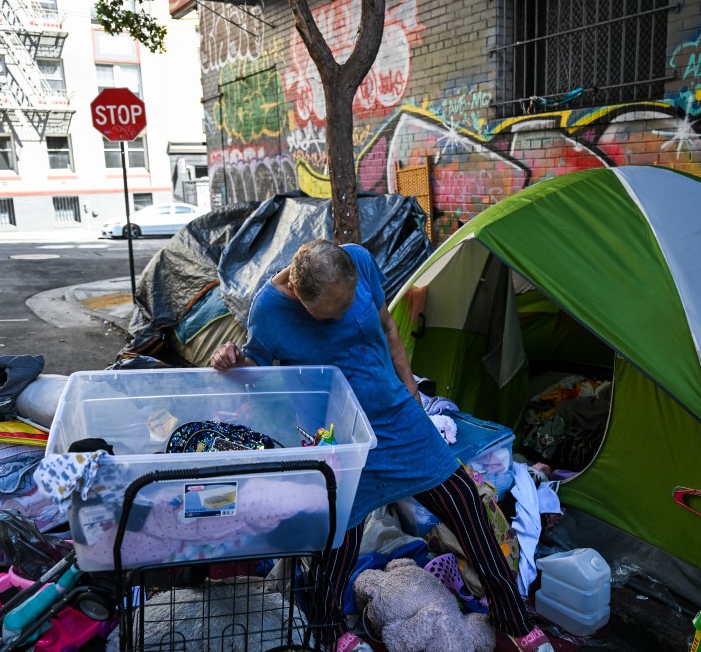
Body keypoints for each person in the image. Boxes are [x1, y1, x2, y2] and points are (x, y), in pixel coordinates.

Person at [210, 239, 552, 652]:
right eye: (332, 313)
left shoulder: (358, 260)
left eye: (348, 303)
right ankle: (329, 631)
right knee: (339, 541)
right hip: (340, 438)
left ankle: (511, 616)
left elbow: (387, 324)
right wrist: (232, 361)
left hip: (396, 418)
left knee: (465, 503)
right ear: (301, 297)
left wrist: (409, 388)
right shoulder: (268, 313)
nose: (343, 314)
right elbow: (259, 372)